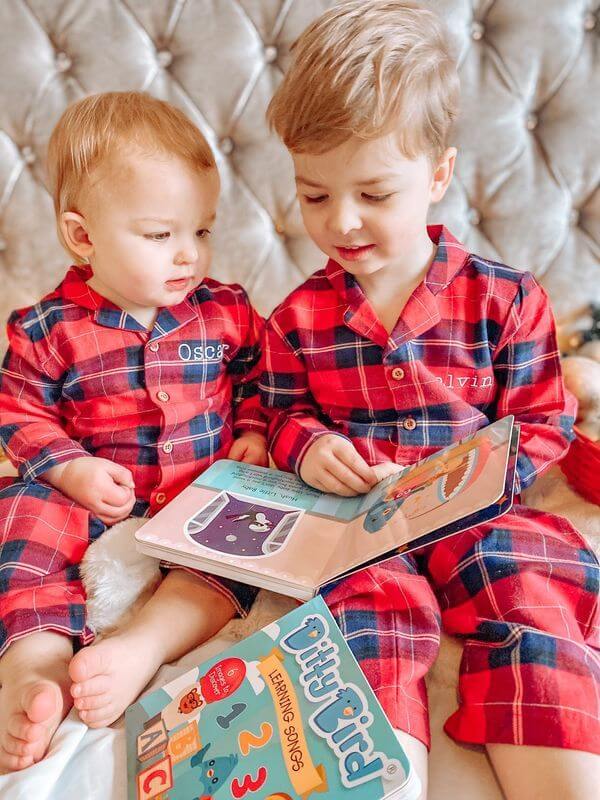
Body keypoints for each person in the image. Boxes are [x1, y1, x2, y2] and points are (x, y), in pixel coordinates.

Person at [260, 2, 600, 797]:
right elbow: (275, 414)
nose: (341, 221)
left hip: (478, 513)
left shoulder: (506, 300)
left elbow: (545, 417)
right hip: (363, 526)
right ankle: (380, 774)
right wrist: (307, 445)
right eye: (314, 197)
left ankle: (562, 776)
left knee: (519, 582)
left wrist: (489, 469)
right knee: (360, 608)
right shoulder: (297, 318)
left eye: (374, 194)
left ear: (438, 174)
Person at [0, 92, 268, 772]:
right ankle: (37, 666)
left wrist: (255, 432)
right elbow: (18, 412)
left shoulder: (224, 312)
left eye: (202, 231)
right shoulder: (46, 329)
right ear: (83, 235)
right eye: (161, 235)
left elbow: (268, 379)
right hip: (93, 503)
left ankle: (141, 645)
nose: (188, 255)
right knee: (18, 512)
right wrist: (67, 468)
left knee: (241, 546)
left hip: (197, 499)